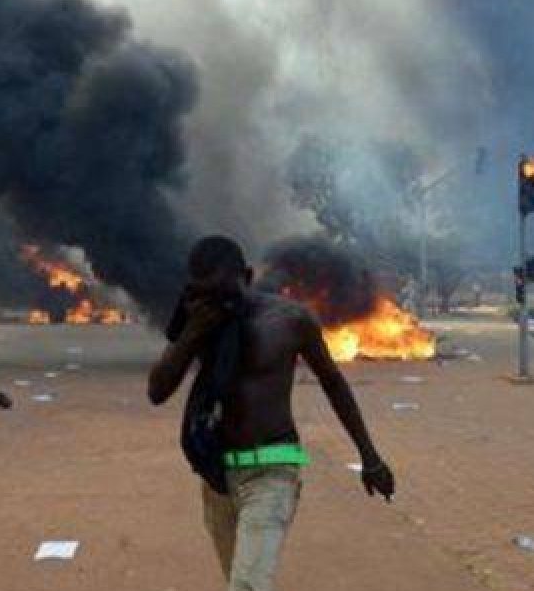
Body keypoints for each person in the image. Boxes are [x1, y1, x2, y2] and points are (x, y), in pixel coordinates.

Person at [148, 236, 395, 591]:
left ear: (246, 277)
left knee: (247, 586)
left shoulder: (289, 320)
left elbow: (334, 384)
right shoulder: (200, 320)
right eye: (205, 292)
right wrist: (193, 332)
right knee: (240, 579)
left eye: (223, 290)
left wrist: (370, 458)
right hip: (216, 474)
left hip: (272, 471)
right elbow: (157, 391)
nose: (217, 300)